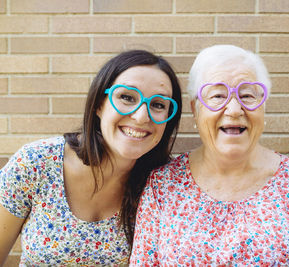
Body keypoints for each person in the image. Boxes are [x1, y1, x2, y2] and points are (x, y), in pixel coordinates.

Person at [130, 45, 289, 266]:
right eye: (218, 95)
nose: (233, 109)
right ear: (195, 109)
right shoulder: (162, 185)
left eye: (247, 95)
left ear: (263, 107)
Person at [0, 49, 182, 266]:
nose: (142, 116)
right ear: (98, 104)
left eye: (158, 105)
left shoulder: (166, 187)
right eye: (127, 97)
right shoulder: (36, 163)